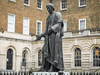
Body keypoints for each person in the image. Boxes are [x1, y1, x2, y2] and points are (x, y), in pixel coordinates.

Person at [35, 3, 64, 72]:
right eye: (47, 8)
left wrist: (52, 29)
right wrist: (41, 35)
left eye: (49, 8)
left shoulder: (57, 14)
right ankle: (43, 67)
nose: (48, 10)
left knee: (53, 52)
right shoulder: (48, 17)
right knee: (44, 50)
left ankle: (53, 67)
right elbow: (47, 28)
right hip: (48, 38)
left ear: (52, 8)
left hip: (55, 37)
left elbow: (59, 24)